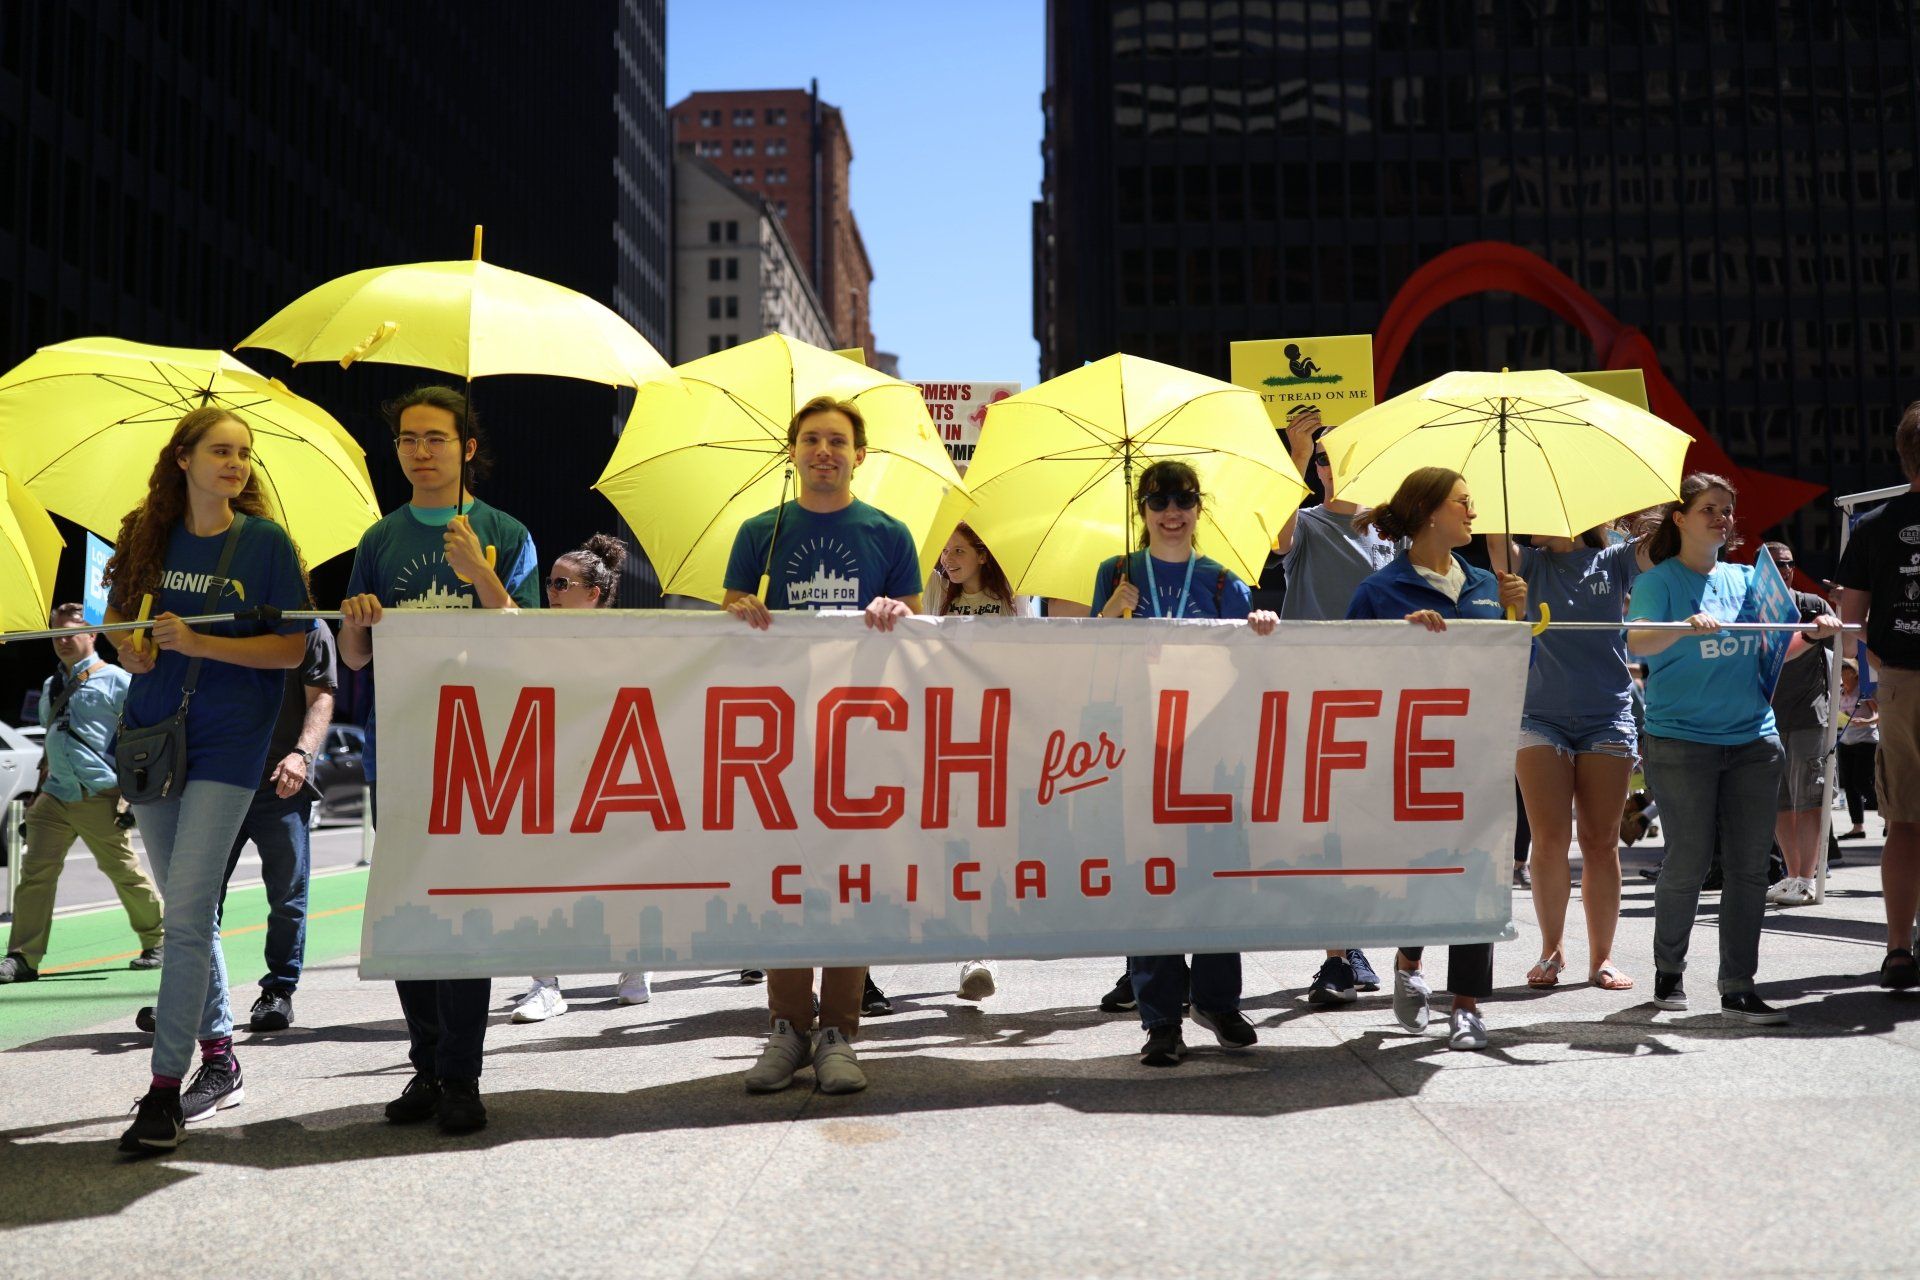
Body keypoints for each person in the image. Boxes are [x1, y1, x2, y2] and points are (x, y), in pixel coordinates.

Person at [106, 407, 311, 1154]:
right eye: (220, 451)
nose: (235, 463)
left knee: (188, 917)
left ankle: (163, 1093)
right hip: (152, 738)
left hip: (230, 744)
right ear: (183, 459)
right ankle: (221, 1059)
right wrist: (128, 648)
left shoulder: (265, 543)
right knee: (189, 915)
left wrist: (199, 643)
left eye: (244, 454)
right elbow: (115, 619)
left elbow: (291, 650)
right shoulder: (144, 534)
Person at [338, 385, 541, 1136]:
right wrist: (356, 621)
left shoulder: (504, 532)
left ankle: (462, 1075)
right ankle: (425, 1065)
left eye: (436, 438)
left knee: (462, 911)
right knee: (408, 910)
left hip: (478, 751)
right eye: (408, 439)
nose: (421, 452)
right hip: (398, 745)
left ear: (468, 448)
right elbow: (355, 655)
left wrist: (479, 572)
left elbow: (528, 640)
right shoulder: (379, 539)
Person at [723, 394, 922, 1095]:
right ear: (793, 451)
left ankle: (838, 1030)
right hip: (781, 735)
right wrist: (739, 609)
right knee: (785, 872)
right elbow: (724, 623)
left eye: (838, 441)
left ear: (859, 455)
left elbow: (919, 628)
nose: (824, 452)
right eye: (811, 439)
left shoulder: (890, 533)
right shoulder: (760, 531)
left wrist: (899, 611)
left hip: (861, 732)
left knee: (849, 877)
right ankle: (786, 1026)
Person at [1627, 473, 1838, 1024]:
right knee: (1689, 862)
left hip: (1753, 740)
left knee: (1749, 869)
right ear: (1680, 519)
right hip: (1681, 741)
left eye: (1727, 510)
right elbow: (1638, 639)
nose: (1722, 519)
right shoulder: (1659, 581)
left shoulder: (1749, 579)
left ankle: (1738, 987)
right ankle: (1668, 972)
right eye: (1709, 509)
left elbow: (1774, 650)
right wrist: (1683, 626)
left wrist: (1811, 635)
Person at [1091, 459, 1277, 1067]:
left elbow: (1251, 667)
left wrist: (1261, 627)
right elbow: (1087, 664)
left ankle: (1218, 1002)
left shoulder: (1224, 581)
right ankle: (1161, 1020)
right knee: (1154, 882)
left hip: (1211, 755)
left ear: (1199, 508)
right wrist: (1107, 616)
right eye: (1158, 501)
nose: (1172, 512)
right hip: (1141, 754)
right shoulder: (1116, 572)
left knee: (1217, 875)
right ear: (1142, 511)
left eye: (1184, 499)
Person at [1345, 467, 1527, 1052]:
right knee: (1423, 872)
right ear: (1429, 512)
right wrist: (1398, 637)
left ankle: (1467, 1006)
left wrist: (1518, 617)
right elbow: (1346, 673)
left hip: (1480, 751)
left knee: (1477, 872)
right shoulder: (1379, 590)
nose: (1473, 513)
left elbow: (1512, 667)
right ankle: (1409, 960)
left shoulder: (1489, 584)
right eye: (1462, 503)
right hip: (1407, 758)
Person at [1265, 409, 1394, 1006]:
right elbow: (1276, 536)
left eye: (1337, 455)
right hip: (1315, 697)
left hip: (1377, 697)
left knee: (1363, 830)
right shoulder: (1309, 524)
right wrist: (1294, 453)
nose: (1329, 465)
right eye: (1321, 458)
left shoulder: (1391, 534)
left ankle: (1351, 945)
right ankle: (1338, 956)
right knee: (1327, 830)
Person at [1489, 527, 1652, 993]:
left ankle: (1602, 959)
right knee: (1549, 839)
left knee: (1600, 842)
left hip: (1607, 716)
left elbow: (1661, 548)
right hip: (1537, 716)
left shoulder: (1616, 558)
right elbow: (1497, 545)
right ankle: (1551, 950)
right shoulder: (1528, 562)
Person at [507, 535, 656, 1021]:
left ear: (593, 593)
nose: (550, 591)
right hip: (551, 774)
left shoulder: (627, 641)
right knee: (540, 877)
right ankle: (544, 985)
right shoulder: (536, 638)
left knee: (621, 873)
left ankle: (636, 965)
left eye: (561, 584)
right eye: (549, 582)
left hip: (614, 777)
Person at [0, 604, 163, 985]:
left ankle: (159, 940)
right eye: (56, 634)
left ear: (92, 634)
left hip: (99, 792)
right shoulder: (51, 685)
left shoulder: (117, 680)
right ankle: (22, 957)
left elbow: (140, 738)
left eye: (70, 633)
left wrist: (130, 794)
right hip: (55, 794)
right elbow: (52, 737)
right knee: (35, 876)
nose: (62, 641)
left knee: (123, 871)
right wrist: (38, 793)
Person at [214, 618, 335, 1032]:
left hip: (281, 782)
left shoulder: (311, 628)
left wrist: (301, 755)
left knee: (287, 895)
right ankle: (192, 992)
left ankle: (279, 991)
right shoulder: (222, 620)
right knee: (198, 895)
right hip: (218, 778)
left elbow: (321, 697)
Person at [928, 522, 1032, 1002]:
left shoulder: (1014, 599)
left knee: (989, 844)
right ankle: (971, 952)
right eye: (945, 551)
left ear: (984, 555)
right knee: (958, 843)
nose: (948, 559)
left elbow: (1027, 660)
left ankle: (980, 950)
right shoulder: (936, 594)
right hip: (948, 734)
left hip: (999, 735)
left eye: (959, 550)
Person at [1838, 401, 1920, 988]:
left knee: (1905, 822)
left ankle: (1897, 950)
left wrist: (1874, 656)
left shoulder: (1874, 527)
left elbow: (1852, 623)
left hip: (1901, 682)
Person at [1760, 541, 1838, 907]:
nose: (1785, 571)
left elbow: (1843, 648)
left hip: (1809, 715)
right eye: (1776, 565)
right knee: (1779, 803)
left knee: (1810, 799)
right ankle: (1792, 876)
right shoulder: (1753, 609)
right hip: (1766, 718)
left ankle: (1807, 878)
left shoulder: (1812, 606)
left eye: (1789, 564)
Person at [1837, 659, 1878, 840]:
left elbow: (1879, 713)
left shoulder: (1864, 691)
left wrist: (1867, 721)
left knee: (1861, 781)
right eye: (1840, 669)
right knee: (1850, 787)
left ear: (1854, 672)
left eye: (1845, 669)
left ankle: (1888, 815)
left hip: (1866, 740)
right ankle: (1857, 827)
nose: (1842, 673)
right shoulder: (1839, 692)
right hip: (1846, 740)